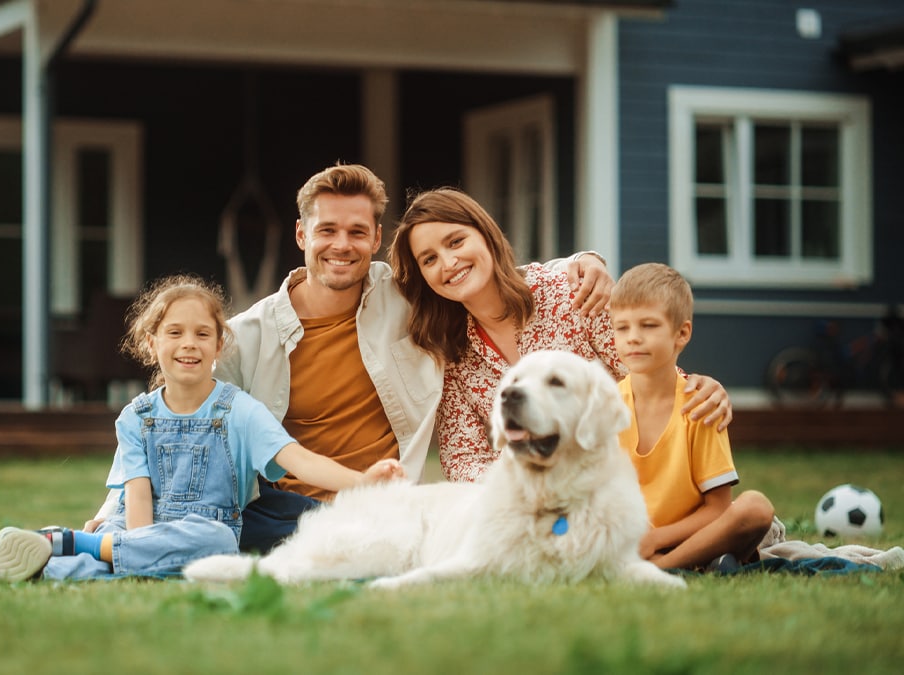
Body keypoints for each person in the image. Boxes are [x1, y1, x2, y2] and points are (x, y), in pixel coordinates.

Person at [210, 163, 615, 552]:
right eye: (327, 230)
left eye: (357, 231)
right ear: (301, 234)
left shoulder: (408, 298)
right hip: (288, 513)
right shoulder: (246, 338)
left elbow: (481, 276)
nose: (341, 245)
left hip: (390, 509)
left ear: (375, 239)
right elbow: (195, 417)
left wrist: (579, 263)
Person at [0, 274, 403, 584]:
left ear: (221, 344)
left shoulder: (239, 410)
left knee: (219, 541)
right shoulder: (136, 417)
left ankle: (44, 554)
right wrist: (140, 548)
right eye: (175, 333)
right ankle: (63, 548)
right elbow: (136, 496)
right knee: (174, 553)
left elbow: (298, 459)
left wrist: (363, 481)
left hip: (200, 528)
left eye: (202, 334)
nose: (189, 345)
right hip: (133, 526)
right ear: (151, 341)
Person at [388, 187, 733, 483]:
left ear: (486, 235)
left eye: (456, 241)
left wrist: (693, 387)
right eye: (429, 259)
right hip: (534, 499)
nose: (448, 262)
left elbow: (645, 375)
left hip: (629, 469)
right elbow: (463, 458)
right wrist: (531, 483)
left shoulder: (569, 293)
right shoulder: (448, 351)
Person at [611, 263, 774, 570]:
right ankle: (695, 563)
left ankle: (661, 568)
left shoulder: (701, 405)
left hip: (687, 536)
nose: (633, 337)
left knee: (755, 508)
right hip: (624, 537)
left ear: (681, 333)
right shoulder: (606, 407)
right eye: (622, 327)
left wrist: (656, 540)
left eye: (648, 325)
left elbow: (718, 509)